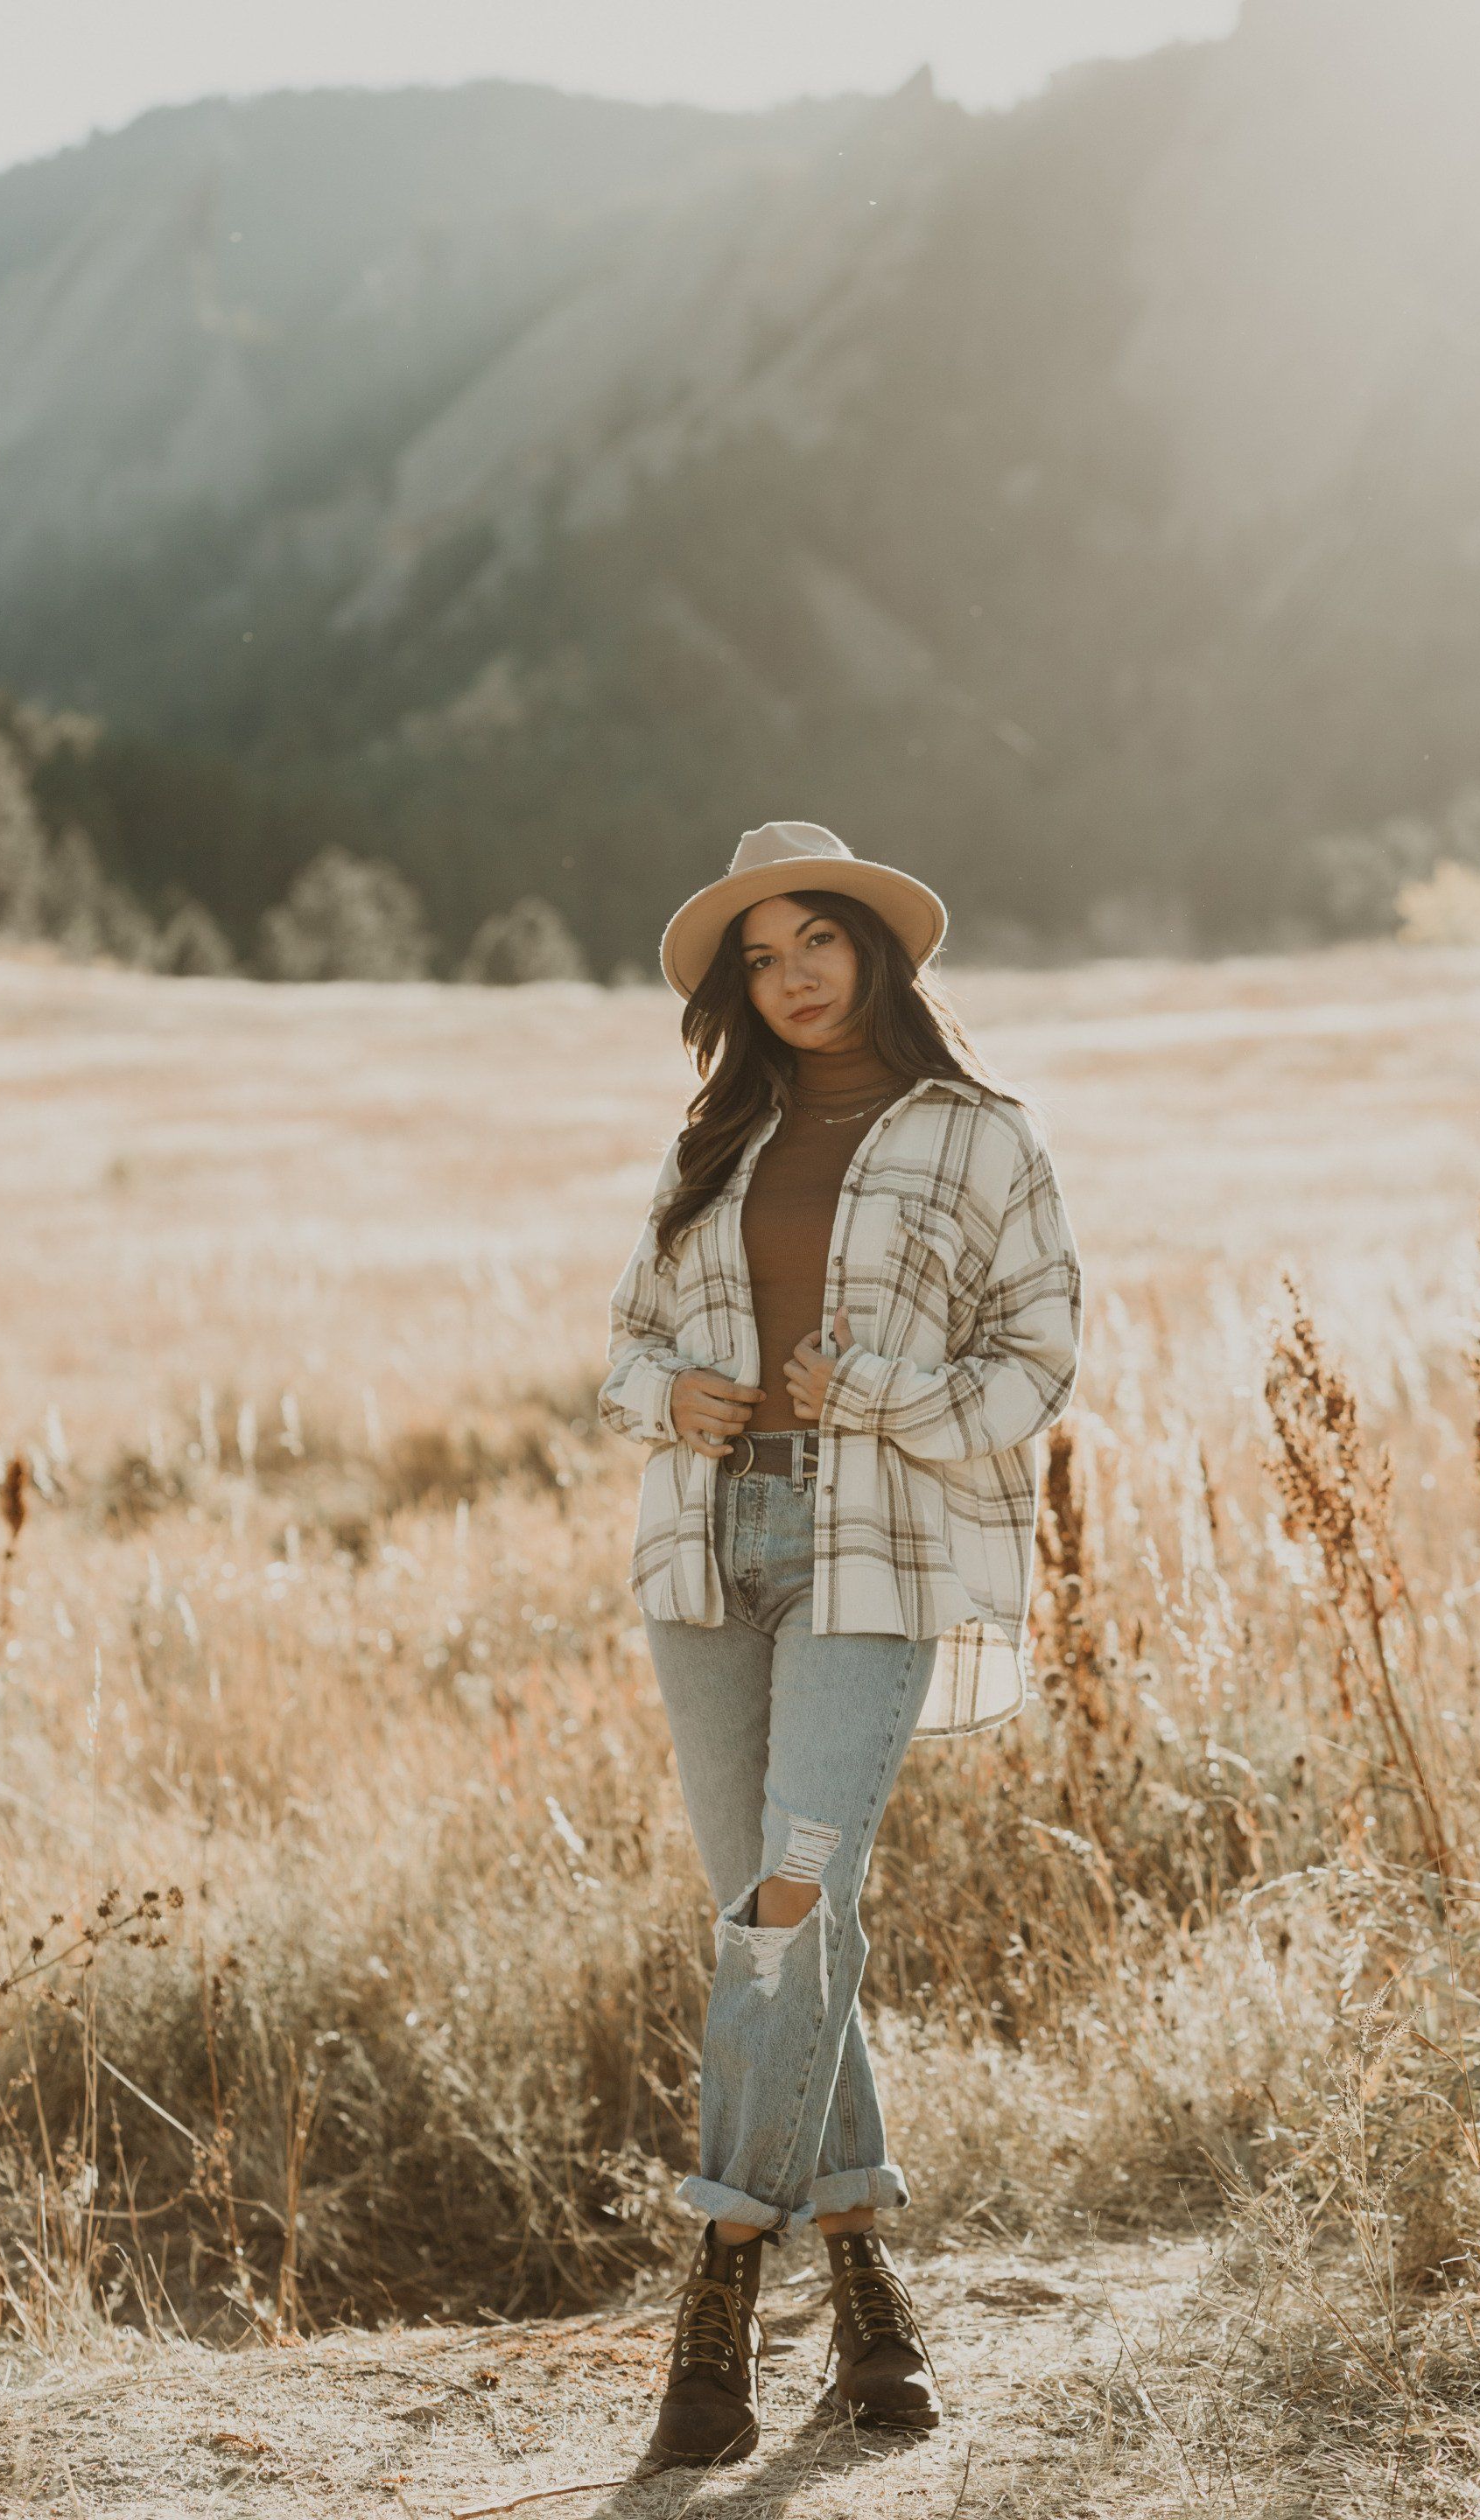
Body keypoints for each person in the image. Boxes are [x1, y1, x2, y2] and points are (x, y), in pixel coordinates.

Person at [598, 821, 1083, 2466]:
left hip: (872, 1559)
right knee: (766, 1928)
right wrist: (664, 1397)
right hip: (704, 1554)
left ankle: (722, 2280)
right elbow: (622, 1349)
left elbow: (1044, 1353)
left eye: (819, 940)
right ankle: (866, 2271)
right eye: (762, 954)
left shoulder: (977, 1137)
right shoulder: (711, 1144)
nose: (793, 975)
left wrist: (887, 1397)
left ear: (877, 949)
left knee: (794, 1897)